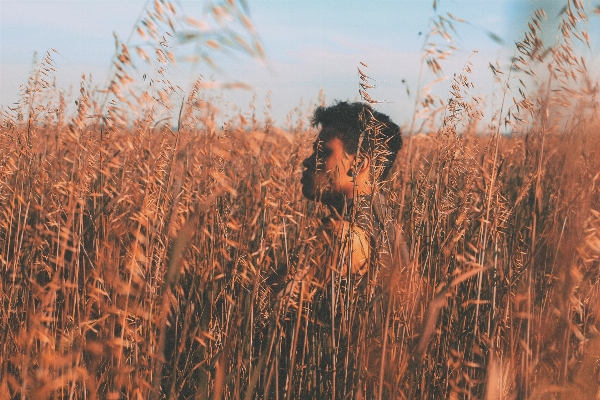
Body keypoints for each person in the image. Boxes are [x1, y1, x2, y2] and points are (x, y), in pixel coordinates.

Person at [272, 100, 409, 398]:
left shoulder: (344, 236)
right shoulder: (386, 224)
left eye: (323, 153)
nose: (307, 162)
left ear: (359, 164)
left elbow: (270, 314)